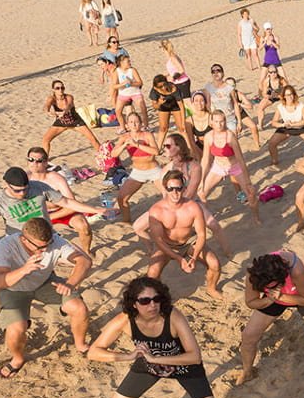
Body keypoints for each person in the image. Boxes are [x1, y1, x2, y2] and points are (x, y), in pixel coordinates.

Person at [87, 276, 243, 398]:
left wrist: (155, 358)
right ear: (134, 304)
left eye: (156, 299)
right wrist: (128, 356)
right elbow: (94, 352)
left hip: (183, 365)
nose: (152, 305)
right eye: (145, 301)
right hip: (148, 365)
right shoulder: (125, 321)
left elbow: (194, 356)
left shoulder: (173, 316)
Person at [0, 217, 92, 378]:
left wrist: (70, 284)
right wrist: (24, 269)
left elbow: (84, 261)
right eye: (40, 247)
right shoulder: (6, 245)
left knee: (79, 308)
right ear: (24, 239)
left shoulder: (55, 241)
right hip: (13, 289)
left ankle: (81, 345)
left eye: (48, 245)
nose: (45, 250)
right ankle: (17, 359)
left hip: (44, 282)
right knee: (17, 329)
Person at [237, 250, 304, 386]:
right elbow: (250, 302)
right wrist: (269, 299)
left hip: (301, 296)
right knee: (248, 336)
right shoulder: (254, 273)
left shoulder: (296, 270)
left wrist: (281, 296)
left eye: (268, 287)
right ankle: (247, 372)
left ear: (280, 279)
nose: (264, 288)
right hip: (273, 299)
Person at [0, 166, 103, 250]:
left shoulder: (37, 186)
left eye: (25, 189)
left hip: (47, 237)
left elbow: (66, 202)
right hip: (19, 242)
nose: (22, 193)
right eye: (17, 191)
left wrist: (95, 210)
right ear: (6, 184)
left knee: (83, 262)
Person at [145, 170, 222, 299]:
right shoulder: (156, 211)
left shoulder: (193, 207)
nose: (175, 192)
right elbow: (158, 240)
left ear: (184, 189)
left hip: (189, 242)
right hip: (166, 245)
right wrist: (179, 258)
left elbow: (201, 235)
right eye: (170, 188)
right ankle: (158, 298)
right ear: (165, 188)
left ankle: (211, 288)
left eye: (178, 188)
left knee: (214, 264)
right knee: (152, 273)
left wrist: (194, 257)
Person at [25, 147, 98, 255]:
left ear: (46, 162)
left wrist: (51, 217)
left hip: (59, 210)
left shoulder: (56, 178)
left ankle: (86, 251)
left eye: (39, 161)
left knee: (84, 227)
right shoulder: (25, 178)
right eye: (31, 160)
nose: (34, 163)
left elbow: (71, 204)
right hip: (38, 213)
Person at [198, 110, 259, 220]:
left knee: (251, 194)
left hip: (234, 166)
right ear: (211, 122)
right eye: (216, 121)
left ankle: (256, 216)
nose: (219, 124)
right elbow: (205, 159)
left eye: (222, 121)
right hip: (218, 167)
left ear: (225, 121)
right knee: (201, 193)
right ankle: (206, 219)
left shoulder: (230, 136)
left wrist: (248, 181)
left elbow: (241, 160)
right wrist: (201, 179)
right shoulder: (208, 136)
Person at [111, 111, 163, 223]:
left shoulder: (147, 135)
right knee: (121, 198)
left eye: (136, 122)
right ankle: (126, 221)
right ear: (127, 125)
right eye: (131, 122)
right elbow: (113, 154)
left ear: (140, 123)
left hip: (153, 169)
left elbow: (156, 151)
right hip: (138, 172)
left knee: (169, 195)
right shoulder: (125, 137)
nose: (134, 124)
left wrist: (137, 145)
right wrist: (124, 145)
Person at [41, 80, 100, 154]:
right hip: (61, 123)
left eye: (62, 88)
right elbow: (46, 106)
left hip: (75, 121)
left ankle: (104, 157)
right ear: (53, 90)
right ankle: (45, 160)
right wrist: (48, 112)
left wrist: (64, 112)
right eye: (57, 88)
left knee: (93, 139)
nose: (60, 90)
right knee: (45, 140)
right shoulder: (52, 98)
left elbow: (69, 105)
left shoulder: (69, 97)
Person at [265, 84, 304, 167]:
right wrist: (283, 124)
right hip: (286, 127)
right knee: (272, 143)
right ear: (284, 96)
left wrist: (294, 124)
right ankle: (275, 161)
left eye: (292, 94)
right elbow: (274, 122)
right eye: (288, 95)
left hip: (301, 127)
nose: (290, 96)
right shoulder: (280, 107)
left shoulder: (301, 106)